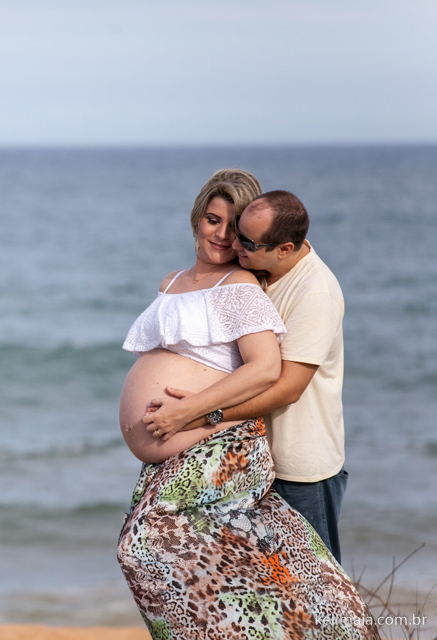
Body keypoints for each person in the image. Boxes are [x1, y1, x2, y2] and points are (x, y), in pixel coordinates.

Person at [117, 171, 377, 639]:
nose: (228, 239)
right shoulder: (203, 278)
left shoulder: (297, 289)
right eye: (214, 221)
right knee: (247, 581)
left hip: (300, 459)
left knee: (313, 589)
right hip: (220, 450)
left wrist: (196, 411)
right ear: (196, 218)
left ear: (283, 247)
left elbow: (278, 380)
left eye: (239, 232)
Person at [144, 190, 347, 563]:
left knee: (314, 584)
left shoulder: (315, 293)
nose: (235, 243)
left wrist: (203, 414)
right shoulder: (261, 272)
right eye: (238, 232)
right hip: (253, 459)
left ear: (284, 248)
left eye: (248, 242)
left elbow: (287, 388)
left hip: (299, 469)